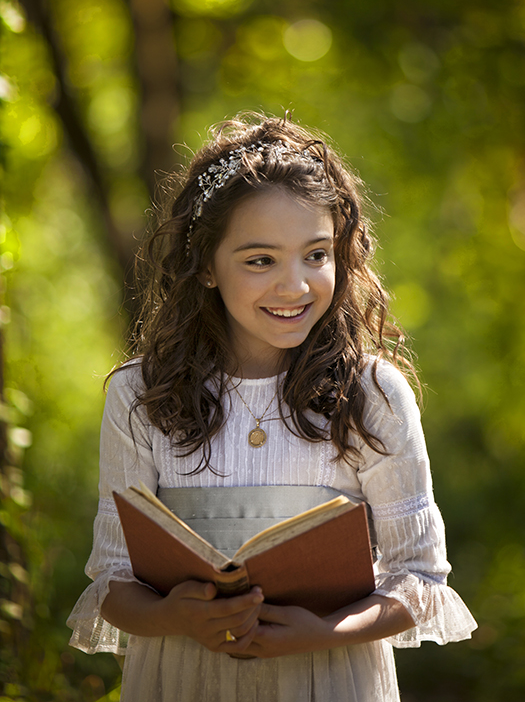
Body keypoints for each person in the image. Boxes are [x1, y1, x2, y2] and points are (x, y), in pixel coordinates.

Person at [67, 113, 477, 701]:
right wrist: (176, 617)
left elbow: (419, 581)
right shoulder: (141, 396)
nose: (295, 286)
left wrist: (322, 632)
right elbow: (113, 581)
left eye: (316, 255)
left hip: (331, 680)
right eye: (261, 260)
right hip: (182, 680)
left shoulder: (371, 395)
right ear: (205, 265)